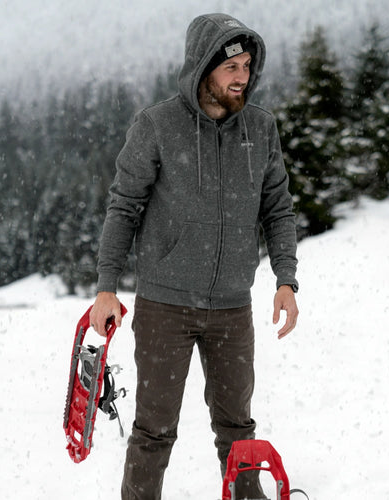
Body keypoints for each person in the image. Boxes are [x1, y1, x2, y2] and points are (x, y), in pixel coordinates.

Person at [89, 12, 299, 500]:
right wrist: (106, 287)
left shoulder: (261, 128)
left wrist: (286, 279)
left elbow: (278, 209)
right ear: (204, 67)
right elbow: (123, 207)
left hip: (232, 308)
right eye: (231, 67)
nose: (242, 76)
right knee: (154, 430)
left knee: (238, 430)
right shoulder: (157, 125)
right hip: (165, 306)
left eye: (247, 66)